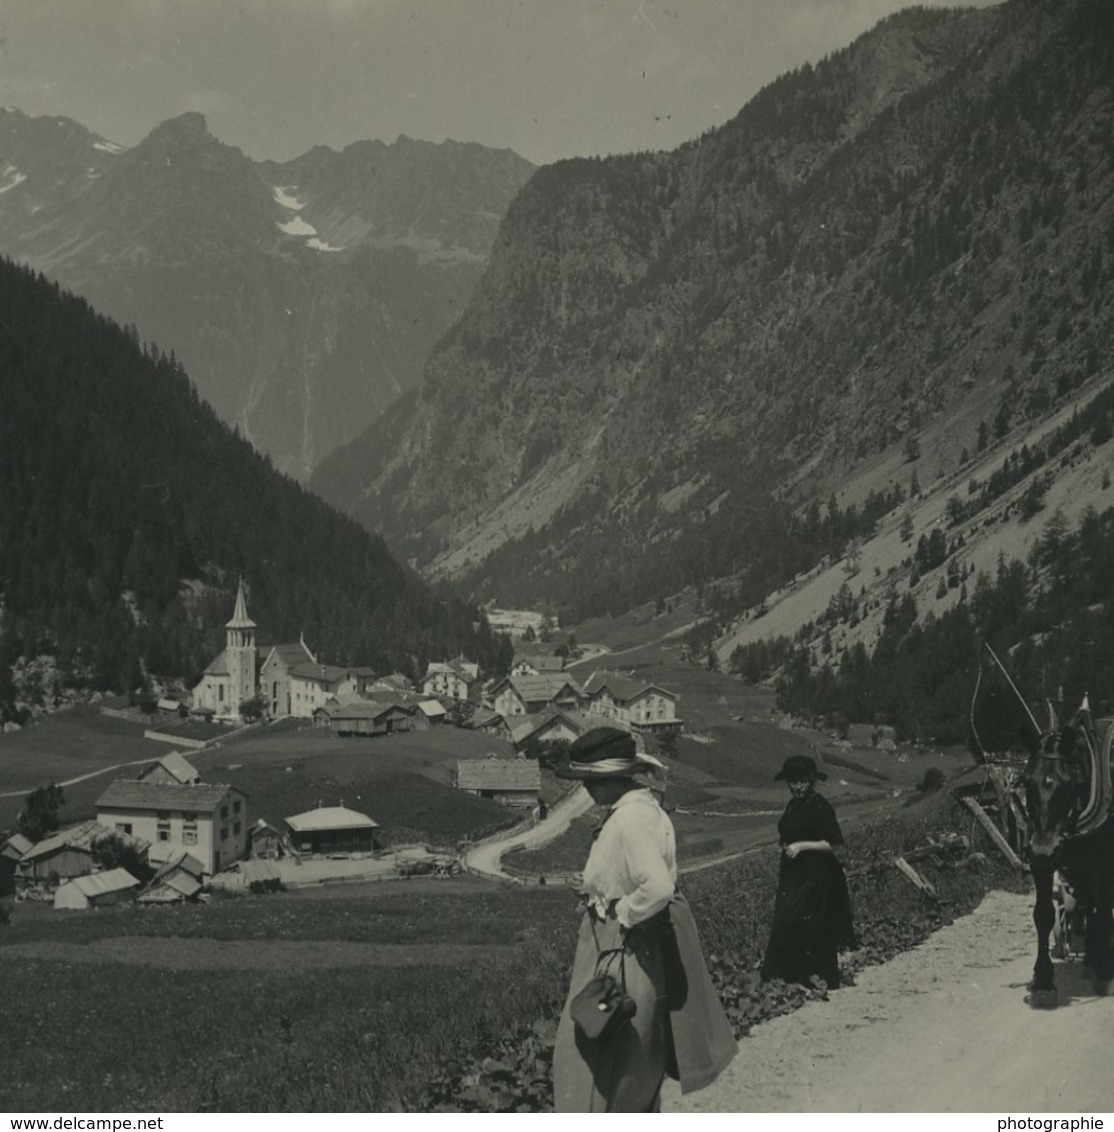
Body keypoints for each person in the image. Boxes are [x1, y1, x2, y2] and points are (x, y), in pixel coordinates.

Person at [552, 727, 738, 1113]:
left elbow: (655, 887)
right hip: (636, 948)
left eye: (589, 781)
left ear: (607, 779)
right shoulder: (643, 810)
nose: (586, 791)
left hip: (622, 950)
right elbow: (633, 875)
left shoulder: (629, 821)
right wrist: (596, 889)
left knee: (596, 1053)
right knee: (630, 1055)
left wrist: (621, 912)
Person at [761, 753, 855, 989]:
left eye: (802, 781)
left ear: (811, 781)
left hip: (817, 876)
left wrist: (801, 846)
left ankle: (818, 976)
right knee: (788, 921)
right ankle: (794, 975)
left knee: (813, 925)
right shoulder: (793, 806)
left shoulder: (819, 806)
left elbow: (833, 844)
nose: (798, 786)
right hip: (794, 875)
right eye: (793, 782)